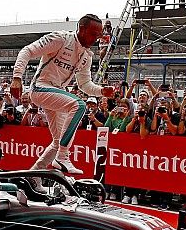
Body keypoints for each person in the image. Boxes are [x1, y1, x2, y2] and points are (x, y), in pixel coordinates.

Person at [11, 14, 115, 175]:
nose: (96, 38)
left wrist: (102, 91)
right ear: (81, 29)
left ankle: (32, 176)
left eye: (99, 35)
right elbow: (27, 50)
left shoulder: (87, 56)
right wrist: (17, 78)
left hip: (57, 93)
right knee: (79, 105)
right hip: (40, 88)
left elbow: (85, 85)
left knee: (57, 141)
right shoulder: (60, 39)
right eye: (94, 34)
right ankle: (62, 156)